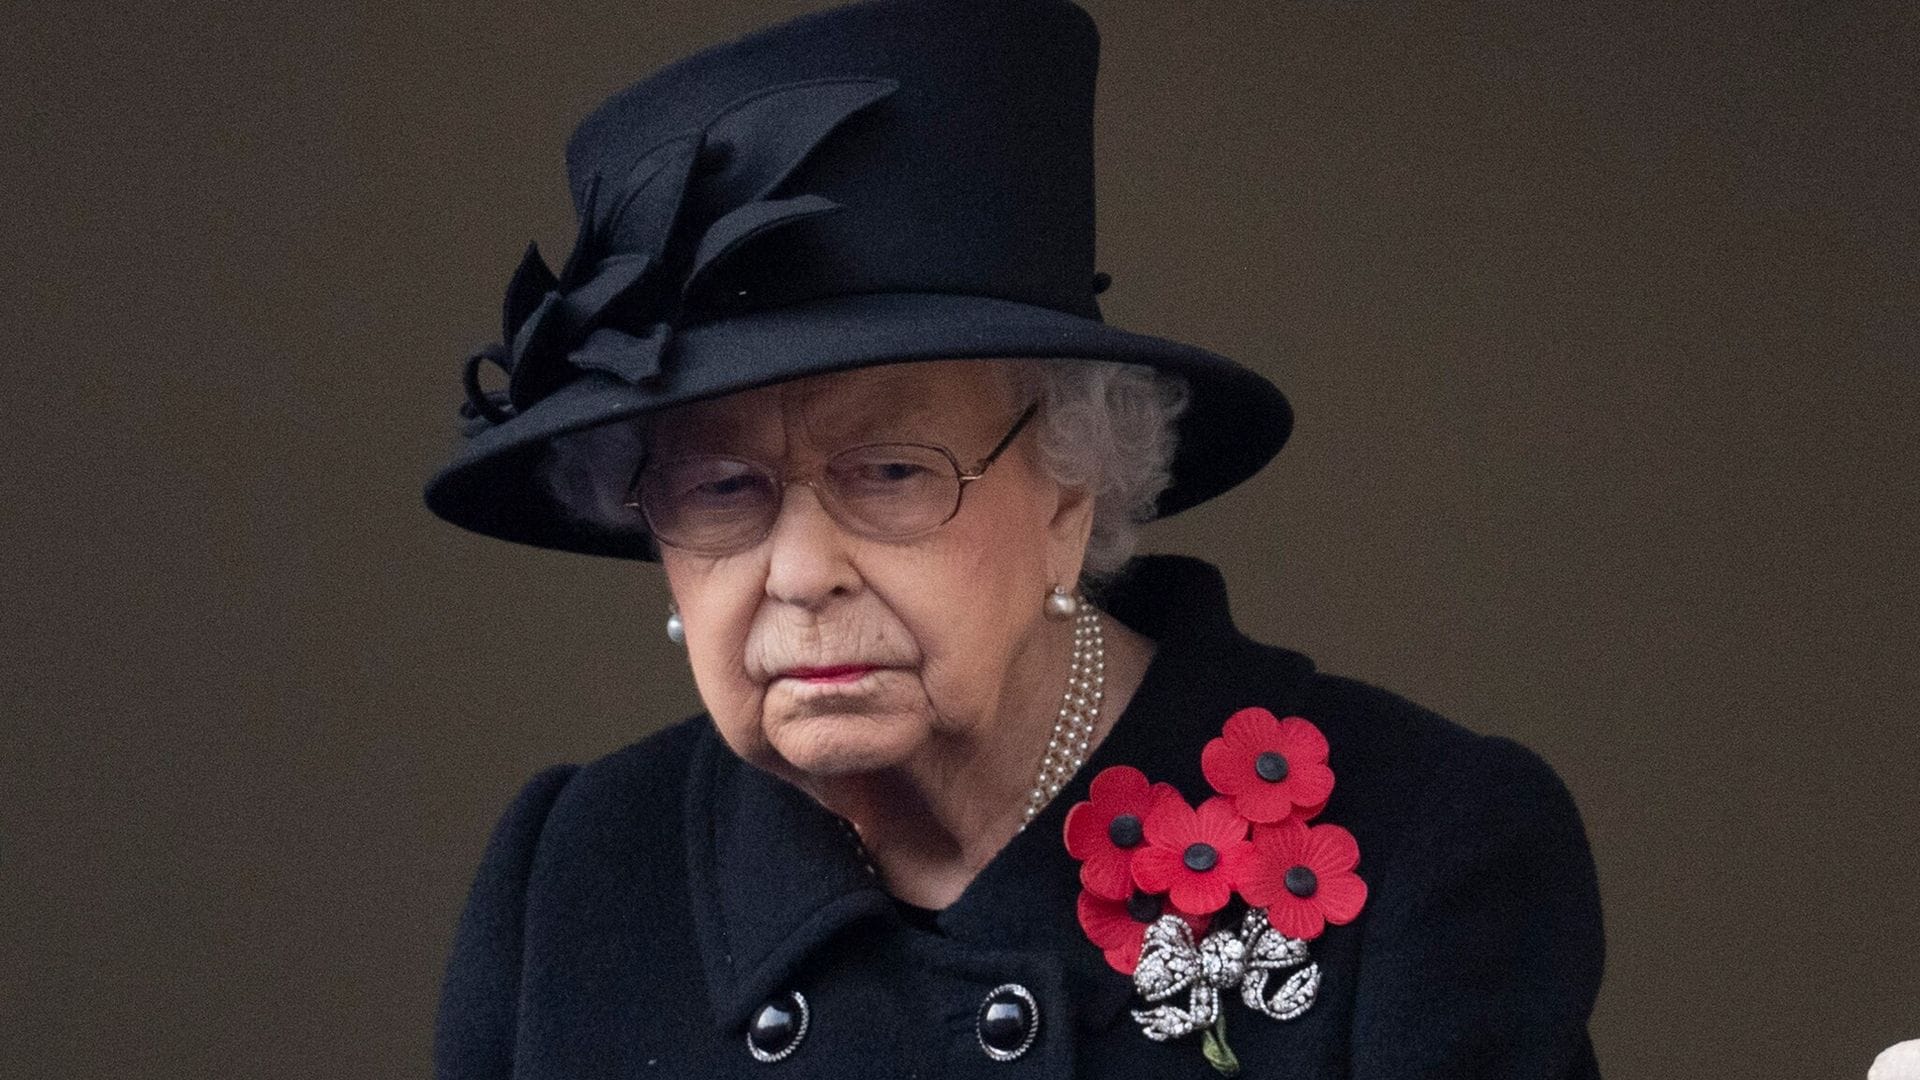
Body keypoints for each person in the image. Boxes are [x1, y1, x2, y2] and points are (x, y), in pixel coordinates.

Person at [420, 1, 1605, 1077]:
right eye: (721, 492)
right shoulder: (571, 877)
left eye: (889, 472)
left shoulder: (1422, 852)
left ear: (1070, 489)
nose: (798, 573)